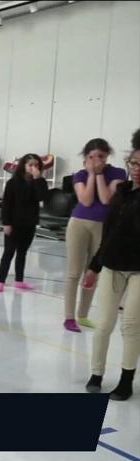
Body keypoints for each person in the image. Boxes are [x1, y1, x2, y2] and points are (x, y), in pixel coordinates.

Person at [83, 129, 140, 401]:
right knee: (103, 323)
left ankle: (126, 380)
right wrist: (95, 265)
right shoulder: (122, 192)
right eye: (135, 163)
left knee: (130, 325)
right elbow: (110, 232)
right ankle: (96, 374)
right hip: (112, 266)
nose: (137, 169)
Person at [63, 138, 126, 332]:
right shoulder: (80, 175)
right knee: (73, 273)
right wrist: (91, 174)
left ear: (107, 156)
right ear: (85, 157)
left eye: (101, 156)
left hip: (103, 226)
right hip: (78, 224)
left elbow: (107, 199)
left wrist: (99, 175)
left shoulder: (118, 173)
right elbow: (87, 200)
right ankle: (69, 317)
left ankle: (83, 314)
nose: (97, 159)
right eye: (92, 156)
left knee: (93, 273)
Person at [0, 154, 49, 293]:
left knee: (22, 252)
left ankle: (19, 280)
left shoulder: (40, 181)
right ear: (23, 165)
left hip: (29, 223)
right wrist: (6, 223)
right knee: (9, 252)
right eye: (30, 165)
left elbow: (42, 197)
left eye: (36, 165)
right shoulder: (13, 183)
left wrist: (37, 179)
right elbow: (6, 204)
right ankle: (0, 281)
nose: (33, 168)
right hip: (14, 222)